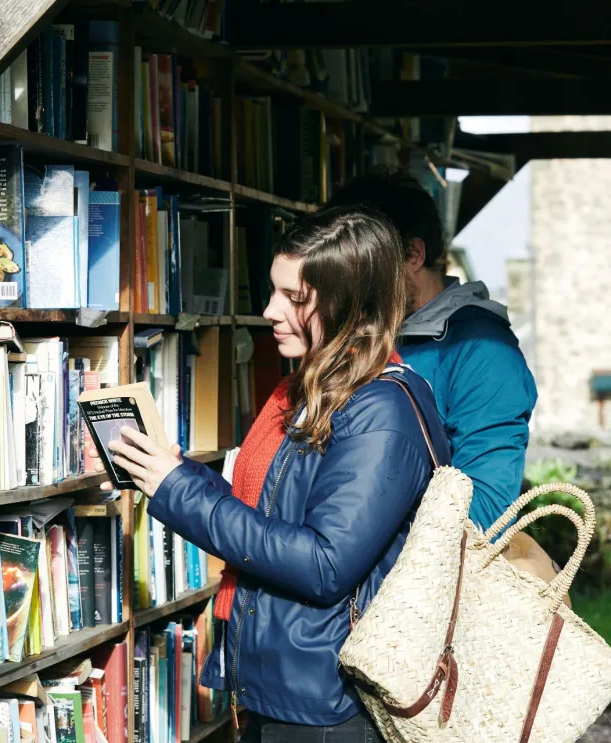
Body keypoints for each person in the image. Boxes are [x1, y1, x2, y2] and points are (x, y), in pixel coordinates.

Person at [95, 206, 452, 740]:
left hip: (330, 706)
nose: (269, 310)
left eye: (295, 298)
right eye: (273, 291)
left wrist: (182, 489)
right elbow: (268, 521)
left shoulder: (383, 412)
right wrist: (168, 475)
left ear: (351, 305)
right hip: (283, 687)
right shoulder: (313, 390)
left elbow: (322, 563)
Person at [325, 170, 538, 531]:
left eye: (363, 267)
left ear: (413, 254)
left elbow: (484, 514)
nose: (348, 284)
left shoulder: (485, 353)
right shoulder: (359, 332)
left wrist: (352, 535)